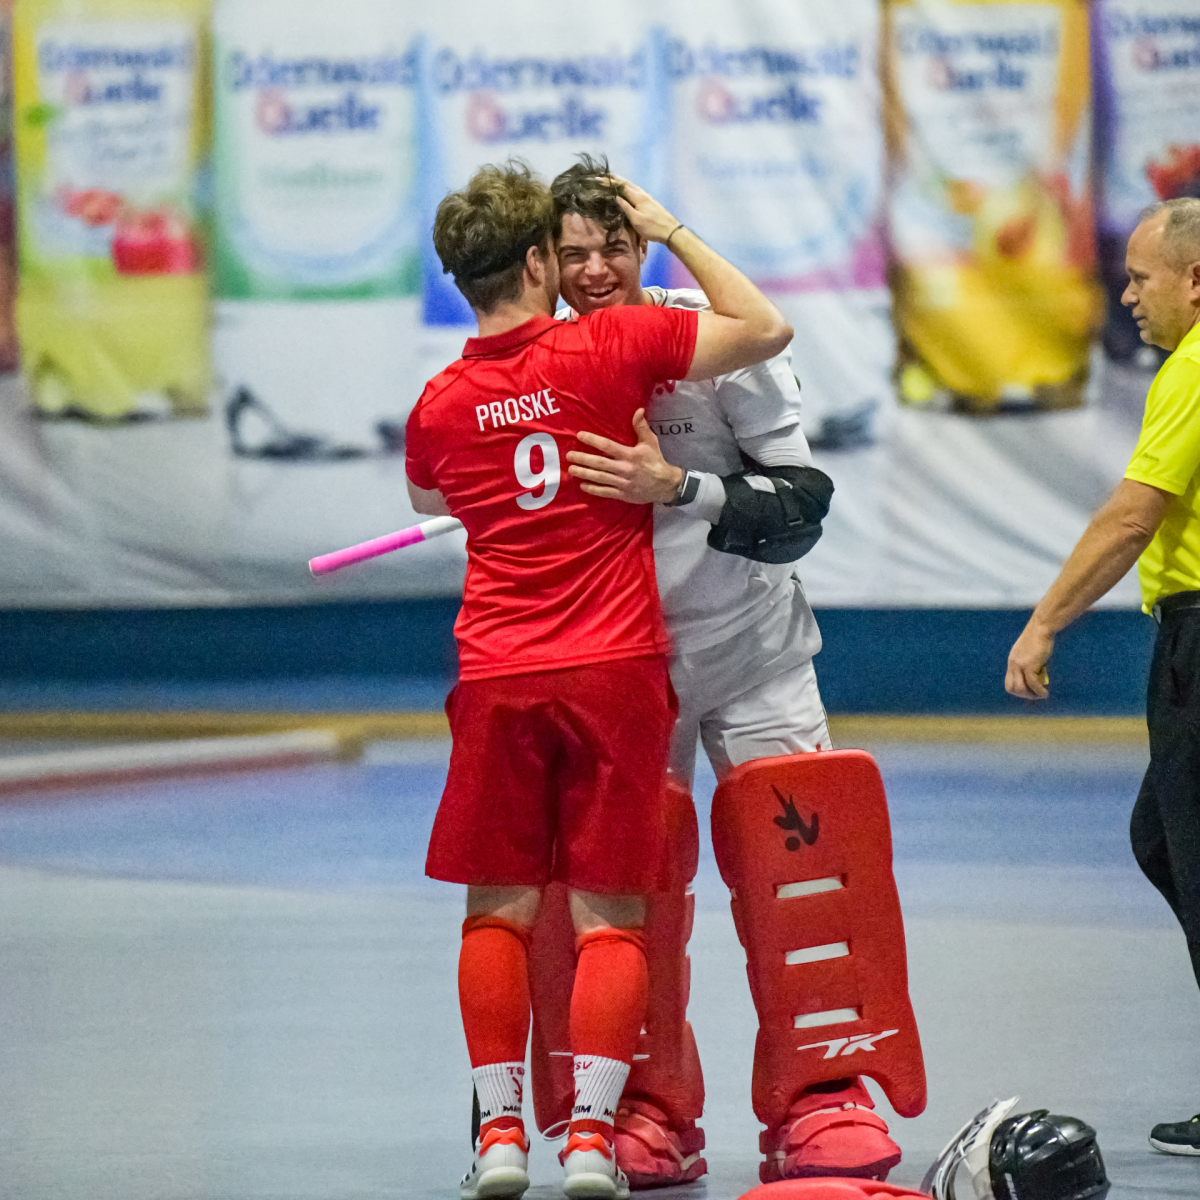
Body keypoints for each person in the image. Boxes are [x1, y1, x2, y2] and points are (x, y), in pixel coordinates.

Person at [519, 156, 922, 1189]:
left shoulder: (711, 337)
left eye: (616, 244)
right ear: (543, 262)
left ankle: (826, 1098)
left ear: (646, 242)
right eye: (573, 252)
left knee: (808, 878)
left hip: (753, 652)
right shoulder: (527, 359)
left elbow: (803, 502)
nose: (598, 267)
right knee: (623, 892)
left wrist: (680, 486)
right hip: (616, 669)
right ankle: (640, 1107)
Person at [404, 159, 792, 1200]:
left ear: (461, 279)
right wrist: (670, 231)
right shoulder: (610, 344)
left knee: (498, 913)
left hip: (496, 676)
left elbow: (427, 486)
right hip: (616, 671)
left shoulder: (437, 404)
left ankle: (498, 1139)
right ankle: (588, 1141)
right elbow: (763, 328)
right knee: (611, 917)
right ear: (539, 261)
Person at [1006, 196, 1200, 1155]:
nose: (1126, 294)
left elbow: (1133, 516)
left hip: (1199, 641)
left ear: (1194, 281)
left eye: (1141, 276)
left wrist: (1044, 623)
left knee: (1189, 857)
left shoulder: (1195, 366)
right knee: (1162, 841)